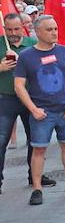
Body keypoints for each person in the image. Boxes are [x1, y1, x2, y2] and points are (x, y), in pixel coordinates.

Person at [14, 16, 65, 205]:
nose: (54, 32)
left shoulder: (64, 52)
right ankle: (37, 188)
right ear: (37, 32)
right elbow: (19, 86)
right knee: (38, 149)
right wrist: (33, 109)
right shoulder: (26, 56)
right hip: (41, 113)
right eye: (49, 29)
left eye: (55, 28)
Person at [0, 12, 40, 197]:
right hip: (5, 98)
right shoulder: (1, 44)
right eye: (9, 29)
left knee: (36, 139)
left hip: (29, 98)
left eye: (16, 29)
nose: (13, 33)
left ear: (23, 27)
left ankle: (35, 176)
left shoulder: (32, 44)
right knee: (1, 141)